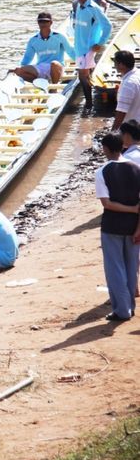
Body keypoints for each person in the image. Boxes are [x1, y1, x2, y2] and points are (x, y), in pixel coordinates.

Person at [94, 133, 140, 320]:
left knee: (115, 269)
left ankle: (122, 310)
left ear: (105, 149)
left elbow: (107, 204)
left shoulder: (102, 171)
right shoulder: (136, 169)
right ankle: (130, 305)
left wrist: (130, 209)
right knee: (131, 267)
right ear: (123, 146)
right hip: (133, 227)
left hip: (112, 226)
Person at [69, 0, 112, 109]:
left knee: (82, 74)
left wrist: (100, 43)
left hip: (88, 47)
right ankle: (90, 100)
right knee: (85, 75)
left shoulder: (94, 8)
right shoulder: (78, 5)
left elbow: (107, 25)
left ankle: (88, 104)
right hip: (79, 46)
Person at [11, 12, 74, 83]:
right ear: (38, 23)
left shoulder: (59, 36)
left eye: (46, 22)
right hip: (40, 68)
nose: (43, 24)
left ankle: (54, 88)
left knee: (54, 63)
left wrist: (82, 64)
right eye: (41, 22)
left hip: (57, 67)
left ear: (51, 23)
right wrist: (19, 69)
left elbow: (70, 51)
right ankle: (40, 84)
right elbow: (27, 58)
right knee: (19, 71)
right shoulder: (33, 40)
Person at [112, 51, 140, 130]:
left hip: (133, 128)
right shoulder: (137, 74)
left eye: (115, 63)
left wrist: (113, 132)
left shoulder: (128, 84)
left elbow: (121, 112)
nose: (114, 66)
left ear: (121, 65)